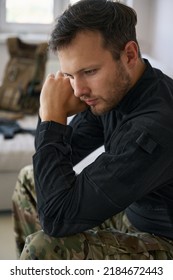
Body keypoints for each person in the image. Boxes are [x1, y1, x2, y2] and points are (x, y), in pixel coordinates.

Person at [12, 0, 173, 260]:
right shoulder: (111, 93)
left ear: (129, 55)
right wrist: (51, 116)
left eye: (89, 71)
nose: (78, 90)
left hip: (164, 241)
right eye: (71, 75)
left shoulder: (155, 126)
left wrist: (52, 118)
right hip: (132, 211)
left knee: (45, 246)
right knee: (30, 180)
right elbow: (55, 158)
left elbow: (56, 218)